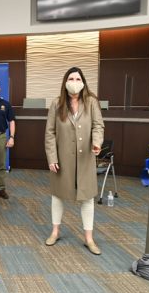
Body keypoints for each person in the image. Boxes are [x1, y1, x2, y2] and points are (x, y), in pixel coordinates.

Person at [44, 67, 104, 255]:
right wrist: (52, 157)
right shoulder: (56, 104)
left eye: (78, 78)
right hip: (62, 158)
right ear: (65, 81)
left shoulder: (92, 102)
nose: (75, 82)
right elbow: (50, 133)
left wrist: (96, 143)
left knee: (87, 197)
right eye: (71, 78)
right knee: (58, 195)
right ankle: (55, 231)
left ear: (83, 82)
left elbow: (98, 125)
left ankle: (89, 238)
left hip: (86, 158)